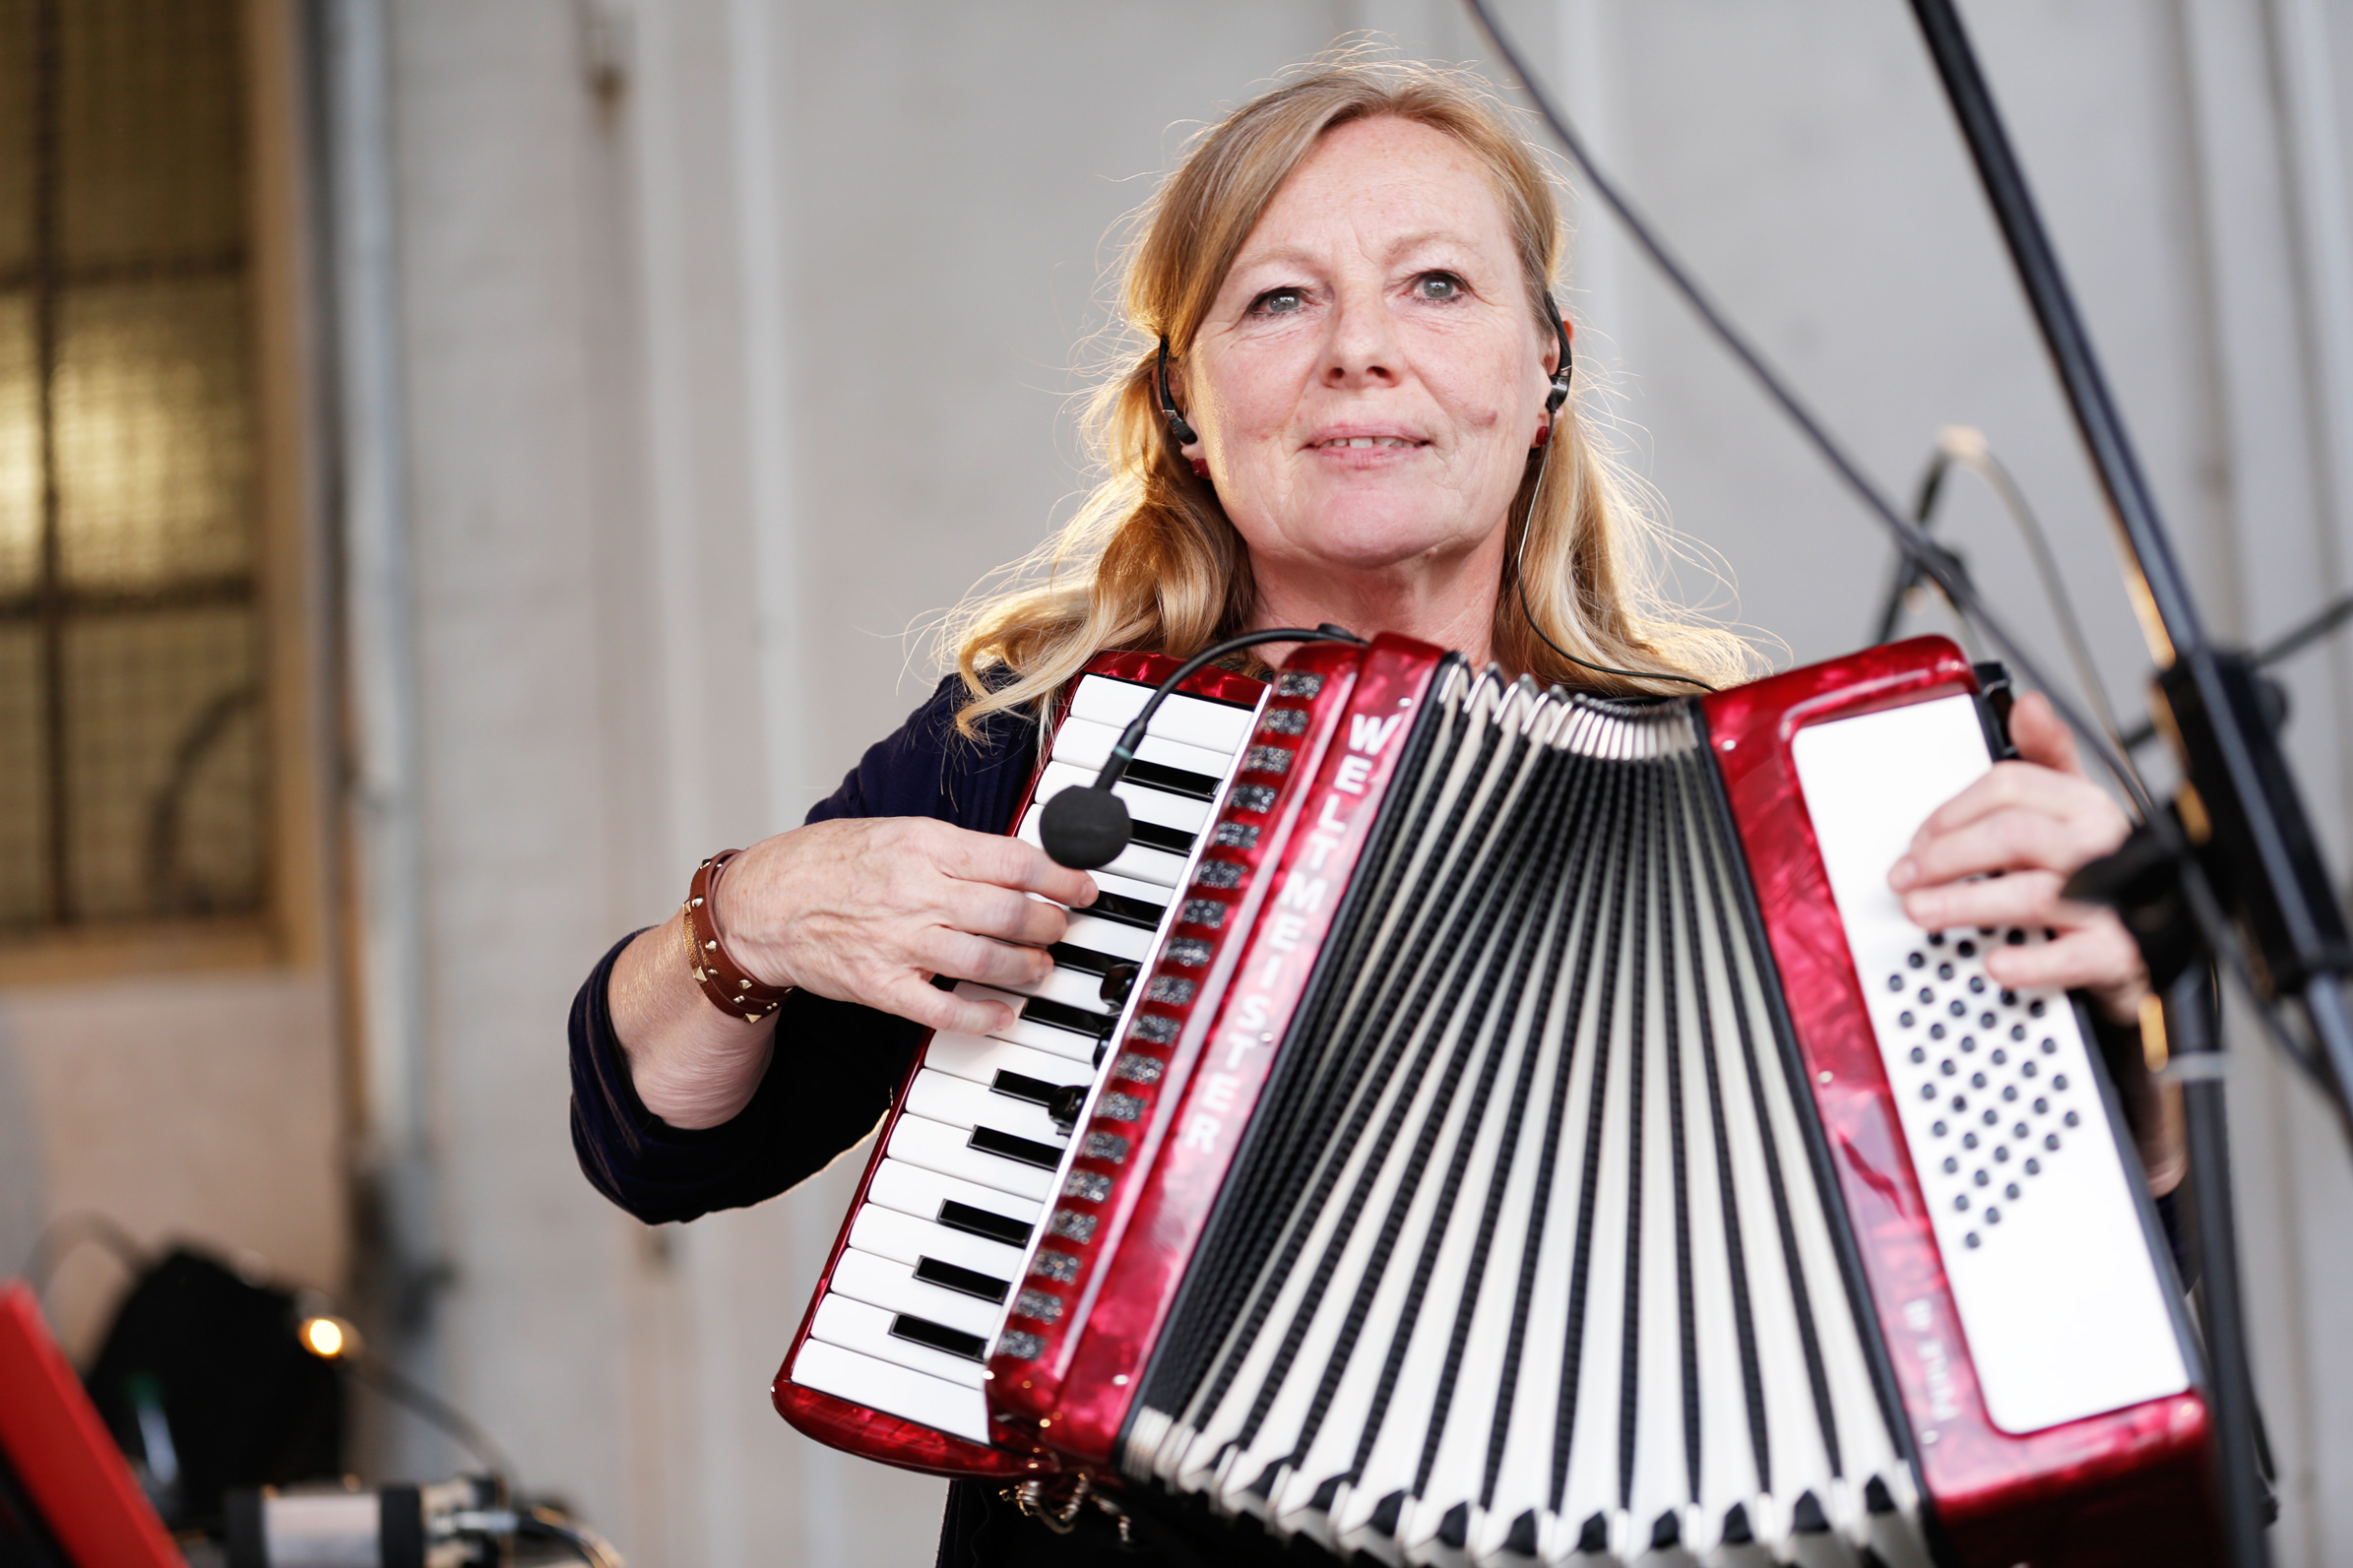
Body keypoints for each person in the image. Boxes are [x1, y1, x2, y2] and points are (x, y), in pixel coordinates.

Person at [570, 56, 2175, 1567]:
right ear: (1183, 403)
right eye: (1278, 299)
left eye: (1436, 285)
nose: (1358, 349)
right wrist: (743, 918)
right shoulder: (1042, 747)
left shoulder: (1782, 816)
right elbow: (655, 1143)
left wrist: (2122, 1052)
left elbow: (2050, 1343)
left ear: (1545, 368)